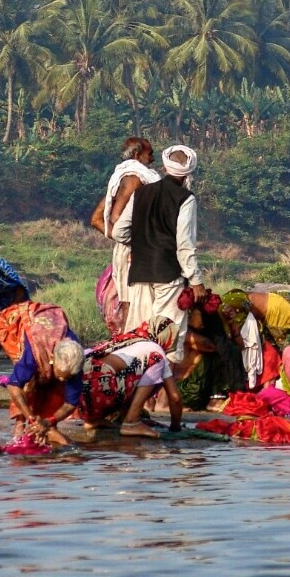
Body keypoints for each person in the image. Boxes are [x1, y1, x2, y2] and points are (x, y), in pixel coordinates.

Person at [112, 144, 205, 367]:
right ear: (188, 173)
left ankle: (139, 395)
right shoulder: (186, 198)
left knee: (139, 339)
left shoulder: (141, 193)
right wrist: (196, 281)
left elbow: (118, 232)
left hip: (139, 274)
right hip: (168, 276)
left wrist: (144, 240)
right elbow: (185, 246)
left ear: (164, 166)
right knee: (167, 340)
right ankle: (161, 399)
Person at [90, 137, 161, 331]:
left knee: (136, 304)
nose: (153, 159)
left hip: (136, 250)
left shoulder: (124, 179)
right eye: (150, 153)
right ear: (138, 155)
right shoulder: (134, 178)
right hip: (135, 254)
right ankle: (135, 348)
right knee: (136, 305)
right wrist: (134, 244)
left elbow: (97, 218)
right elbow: (115, 216)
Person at [0, 301, 84, 445]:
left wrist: (49, 421)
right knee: (29, 383)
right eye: (60, 374)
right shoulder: (33, 354)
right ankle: (20, 426)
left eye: (67, 377)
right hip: (16, 325)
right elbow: (14, 386)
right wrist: (31, 419)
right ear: (52, 359)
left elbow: (70, 403)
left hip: (48, 327)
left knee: (55, 387)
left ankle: (46, 428)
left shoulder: (75, 359)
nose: (63, 379)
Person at [80, 333, 184, 438]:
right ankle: (131, 422)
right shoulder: (156, 349)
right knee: (155, 361)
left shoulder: (124, 341)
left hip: (80, 393)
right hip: (101, 389)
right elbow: (175, 398)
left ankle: (93, 420)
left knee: (128, 373)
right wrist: (175, 428)